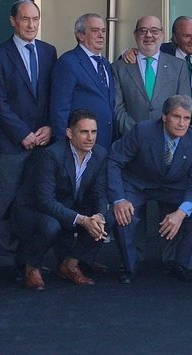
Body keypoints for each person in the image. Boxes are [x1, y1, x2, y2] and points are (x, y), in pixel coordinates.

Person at [0, 0, 58, 282]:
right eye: (25, 19)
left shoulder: (49, 52)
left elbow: (53, 95)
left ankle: (30, 261)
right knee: (8, 202)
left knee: (38, 201)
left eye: (35, 19)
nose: (31, 25)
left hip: (44, 142)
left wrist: (50, 127)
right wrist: (22, 134)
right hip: (11, 143)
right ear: (13, 21)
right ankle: (6, 262)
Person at [107, 95, 192, 284]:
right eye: (177, 117)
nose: (182, 123)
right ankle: (130, 266)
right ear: (164, 117)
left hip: (174, 188)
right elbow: (114, 161)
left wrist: (180, 213)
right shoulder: (142, 131)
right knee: (122, 213)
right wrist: (119, 199)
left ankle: (184, 266)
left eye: (187, 118)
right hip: (138, 184)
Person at [12, 109, 113, 290]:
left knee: (109, 217)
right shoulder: (51, 155)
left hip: (67, 208)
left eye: (94, 132)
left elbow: (100, 193)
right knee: (52, 226)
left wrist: (98, 216)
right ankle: (31, 267)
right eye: (84, 132)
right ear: (69, 133)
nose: (90, 137)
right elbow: (45, 201)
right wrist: (83, 220)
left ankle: (70, 264)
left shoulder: (100, 154)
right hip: (34, 211)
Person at [112, 15, 192, 136]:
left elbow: (184, 106)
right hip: (131, 140)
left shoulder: (179, 67)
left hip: (167, 139)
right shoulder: (118, 68)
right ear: (135, 35)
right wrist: (137, 133)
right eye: (143, 31)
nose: (149, 35)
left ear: (162, 34)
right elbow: (117, 109)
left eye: (154, 31)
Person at [50, 13, 117, 147]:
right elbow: (59, 108)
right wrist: (63, 146)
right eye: (95, 31)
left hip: (105, 144)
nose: (101, 35)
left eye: (103, 31)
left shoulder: (105, 63)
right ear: (81, 35)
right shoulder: (68, 62)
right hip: (78, 145)